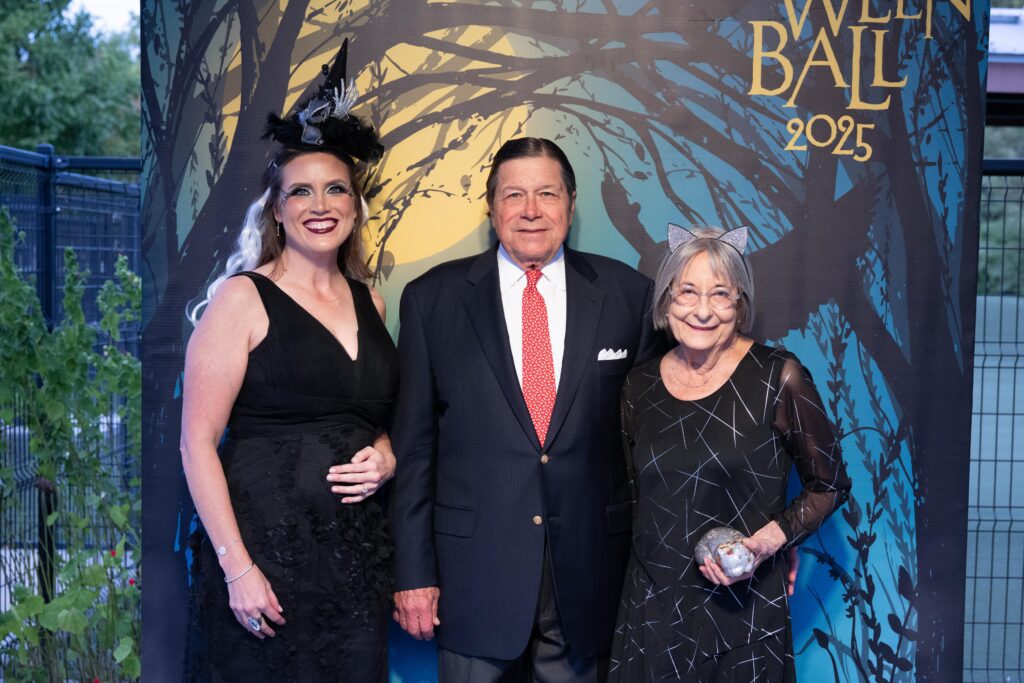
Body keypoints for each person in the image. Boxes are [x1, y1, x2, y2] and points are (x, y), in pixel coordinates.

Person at [388, 137, 665, 681]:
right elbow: (414, 449)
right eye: (514, 195)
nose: (531, 210)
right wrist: (412, 573)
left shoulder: (629, 295)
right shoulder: (431, 299)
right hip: (472, 579)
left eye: (547, 193)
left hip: (589, 578)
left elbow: (658, 445)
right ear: (492, 207)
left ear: (571, 204)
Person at [179, 41, 397, 681]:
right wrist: (237, 568)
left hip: (355, 568)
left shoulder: (372, 303)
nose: (320, 205)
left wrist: (386, 456)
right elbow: (196, 443)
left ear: (354, 206)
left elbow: (374, 418)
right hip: (263, 569)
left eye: (335, 190)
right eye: (301, 192)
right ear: (277, 209)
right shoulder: (241, 299)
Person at [608, 225, 852, 681]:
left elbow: (830, 484)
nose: (702, 310)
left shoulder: (778, 376)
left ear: (739, 302)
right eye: (687, 292)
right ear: (666, 299)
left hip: (745, 615)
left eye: (720, 294)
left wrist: (770, 543)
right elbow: (637, 502)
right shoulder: (638, 386)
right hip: (652, 615)